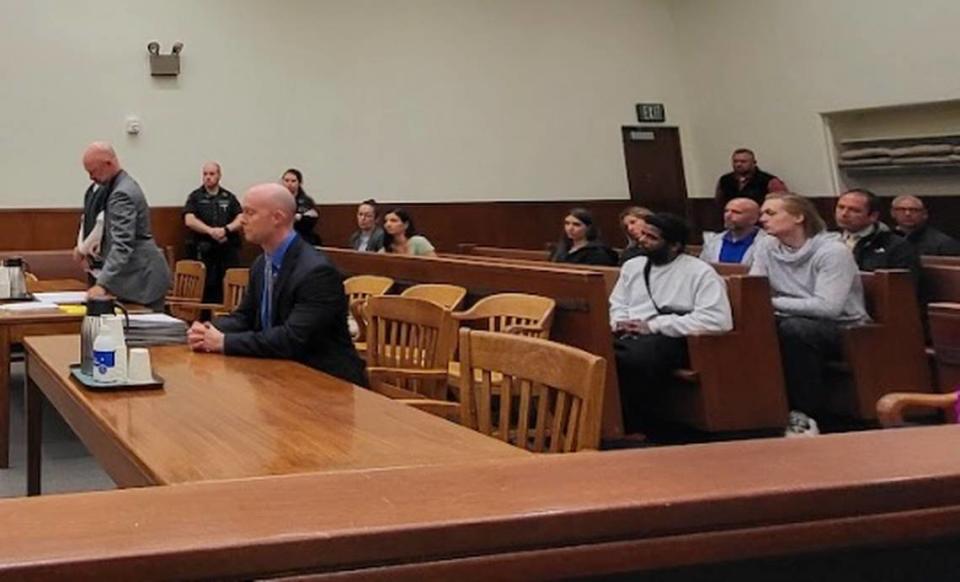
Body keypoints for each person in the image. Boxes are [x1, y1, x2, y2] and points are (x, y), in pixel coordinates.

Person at [187, 183, 367, 386]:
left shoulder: (316, 272)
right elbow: (245, 317)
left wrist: (224, 342)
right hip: (280, 373)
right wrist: (206, 330)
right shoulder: (262, 263)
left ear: (277, 218)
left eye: (250, 213)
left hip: (325, 382)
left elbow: (292, 338)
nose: (242, 220)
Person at [751, 194, 869, 437]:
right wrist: (762, 305)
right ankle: (757, 409)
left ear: (798, 217)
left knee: (795, 330)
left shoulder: (832, 252)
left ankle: (805, 414)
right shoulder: (765, 246)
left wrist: (770, 303)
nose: (762, 219)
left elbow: (828, 307)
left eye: (771, 213)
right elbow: (754, 289)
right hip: (791, 319)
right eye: (762, 213)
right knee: (754, 327)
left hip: (846, 329)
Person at [609, 213, 733, 433]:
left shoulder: (700, 272)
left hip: (676, 338)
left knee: (633, 360)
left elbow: (717, 319)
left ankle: (634, 425)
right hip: (629, 335)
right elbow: (618, 302)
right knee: (602, 352)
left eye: (651, 237)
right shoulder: (633, 266)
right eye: (643, 234)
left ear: (674, 245)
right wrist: (619, 321)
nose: (642, 240)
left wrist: (654, 326)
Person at [75, 142, 171, 311]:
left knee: (146, 334)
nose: (91, 178)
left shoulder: (122, 194)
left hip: (142, 280)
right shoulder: (117, 186)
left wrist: (102, 284)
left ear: (108, 164)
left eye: (93, 171)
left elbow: (122, 244)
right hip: (136, 277)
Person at [183, 162, 243, 302]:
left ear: (219, 175)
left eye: (211, 174)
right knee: (205, 291)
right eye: (205, 174)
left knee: (227, 289)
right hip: (204, 251)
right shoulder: (195, 197)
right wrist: (210, 231)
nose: (208, 177)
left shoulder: (228, 197)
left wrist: (226, 230)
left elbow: (241, 218)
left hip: (226, 250)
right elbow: (189, 219)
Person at [835, 189, 921, 283]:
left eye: (854, 210)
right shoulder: (829, 239)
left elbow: (904, 287)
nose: (844, 214)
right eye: (841, 207)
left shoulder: (897, 246)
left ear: (873, 216)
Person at [699, 197, 765, 266]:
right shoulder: (713, 241)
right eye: (726, 211)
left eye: (736, 212)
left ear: (753, 219)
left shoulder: (765, 243)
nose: (728, 215)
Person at [715, 148, 787, 207]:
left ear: (754, 163)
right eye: (735, 161)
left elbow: (782, 204)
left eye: (743, 161)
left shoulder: (769, 181)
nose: (738, 164)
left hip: (760, 221)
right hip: (731, 221)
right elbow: (719, 203)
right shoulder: (725, 180)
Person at [891, 195, 960, 256]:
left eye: (914, 210)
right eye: (901, 209)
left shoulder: (944, 243)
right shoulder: (886, 239)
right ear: (893, 213)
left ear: (925, 214)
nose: (907, 214)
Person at [549, 208, 618, 266]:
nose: (570, 228)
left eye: (576, 225)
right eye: (567, 223)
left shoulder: (597, 253)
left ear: (588, 228)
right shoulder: (560, 249)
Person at [281, 168, 320, 245]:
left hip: (302, 238)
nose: (289, 184)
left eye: (293, 181)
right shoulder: (277, 199)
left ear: (299, 183)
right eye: (286, 180)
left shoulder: (306, 201)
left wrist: (298, 218)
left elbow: (311, 220)